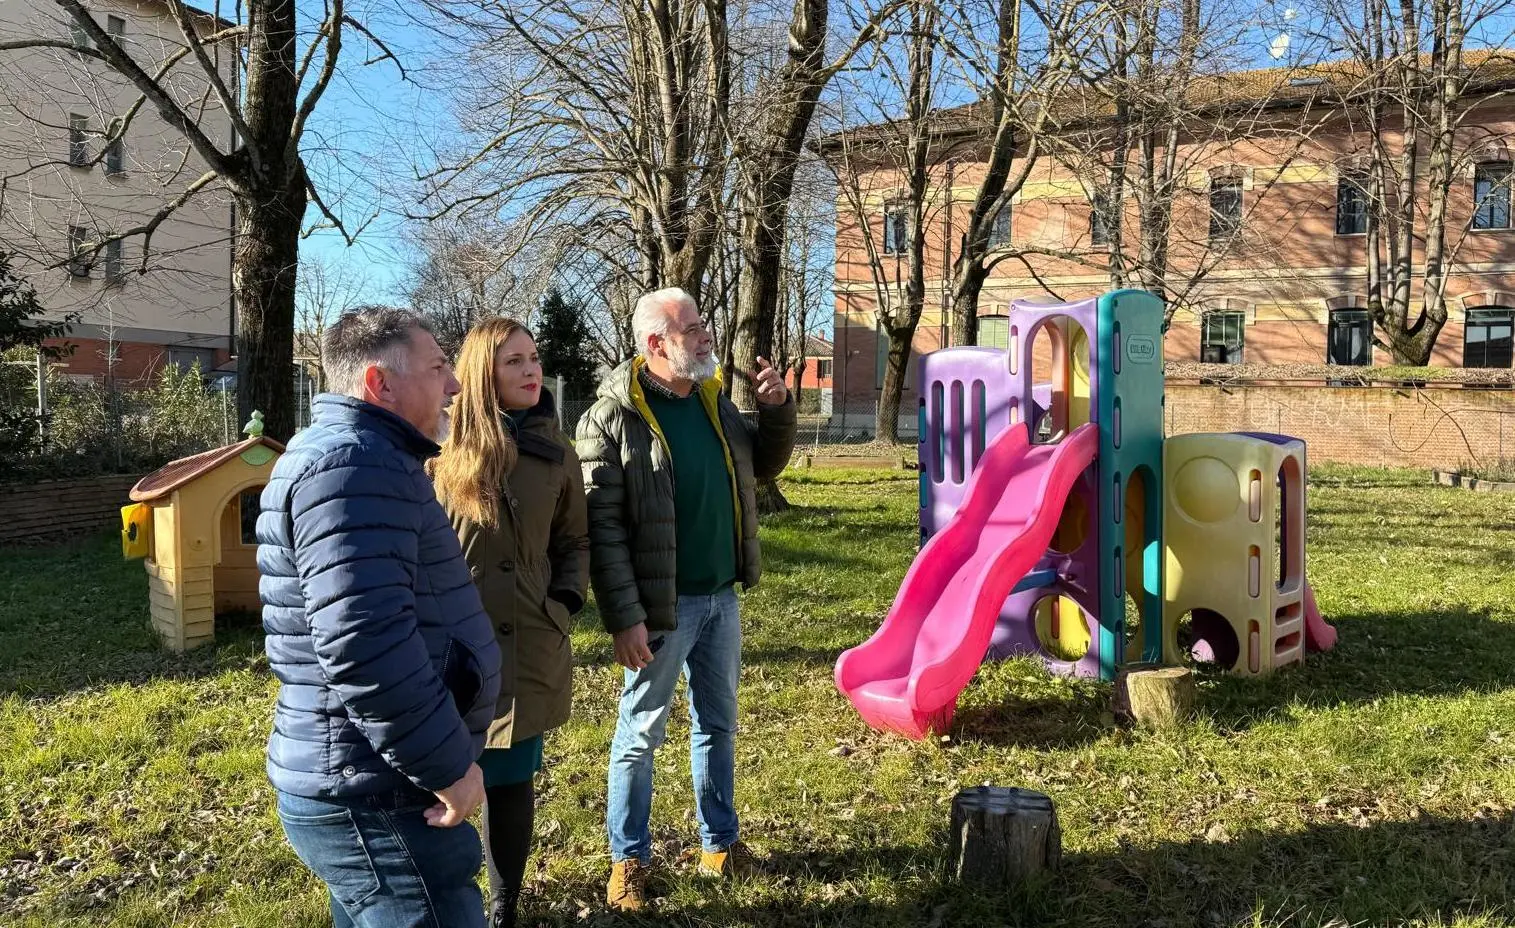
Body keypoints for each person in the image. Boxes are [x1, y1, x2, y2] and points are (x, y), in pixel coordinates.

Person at [257, 307, 501, 928]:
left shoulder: (362, 459)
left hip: (371, 774)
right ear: (379, 384)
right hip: (379, 792)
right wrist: (448, 768)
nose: (452, 385)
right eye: (438, 367)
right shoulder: (354, 467)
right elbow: (365, 645)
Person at [575, 287, 797, 912]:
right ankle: (628, 861)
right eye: (693, 327)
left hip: (720, 598)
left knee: (718, 725)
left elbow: (761, 467)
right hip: (660, 609)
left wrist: (776, 411)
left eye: (702, 324)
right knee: (640, 735)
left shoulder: (710, 399)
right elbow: (604, 529)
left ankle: (719, 844)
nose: (706, 335)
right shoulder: (611, 417)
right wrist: (625, 617)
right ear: (656, 343)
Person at [431, 318, 589, 928]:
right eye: (514, 361)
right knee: (443, 777)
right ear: (482, 374)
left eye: (534, 358)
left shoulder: (556, 453)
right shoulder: (441, 454)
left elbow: (575, 540)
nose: (531, 371)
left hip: (530, 642)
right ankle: (445, 895)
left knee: (512, 780)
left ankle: (504, 904)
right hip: (453, 649)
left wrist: (565, 602)